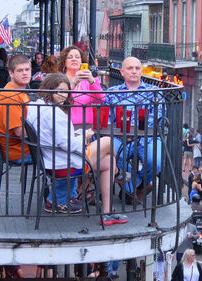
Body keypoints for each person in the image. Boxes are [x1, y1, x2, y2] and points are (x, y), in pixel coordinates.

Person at [27, 74, 127, 224]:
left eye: (66, 92)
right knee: (107, 141)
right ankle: (119, 173)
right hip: (63, 164)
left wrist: (78, 134)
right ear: (49, 89)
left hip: (50, 160)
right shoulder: (54, 113)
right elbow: (69, 144)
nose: (63, 95)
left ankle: (108, 212)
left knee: (108, 161)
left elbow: (58, 138)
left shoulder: (35, 107)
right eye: (59, 91)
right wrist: (84, 136)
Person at [106, 57, 163, 201]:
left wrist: (135, 133)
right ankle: (134, 189)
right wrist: (122, 133)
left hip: (147, 137)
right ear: (122, 72)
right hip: (119, 137)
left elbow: (157, 118)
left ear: (141, 71)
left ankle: (134, 186)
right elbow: (108, 120)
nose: (134, 71)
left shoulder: (154, 92)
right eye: (130, 68)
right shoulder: (112, 92)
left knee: (154, 161)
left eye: (137, 68)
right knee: (113, 157)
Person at [0, 54, 32, 164]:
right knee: (66, 155)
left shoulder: (18, 91)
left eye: (27, 69)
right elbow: (20, 132)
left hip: (25, 147)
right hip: (18, 153)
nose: (25, 73)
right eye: (20, 71)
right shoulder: (11, 96)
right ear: (11, 73)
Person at [59, 45, 104, 127]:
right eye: (70, 57)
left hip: (86, 127)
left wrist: (92, 82)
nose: (74, 59)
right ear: (64, 61)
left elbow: (100, 100)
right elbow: (57, 101)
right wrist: (73, 83)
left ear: (81, 61)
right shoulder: (58, 80)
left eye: (77, 57)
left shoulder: (88, 81)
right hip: (64, 126)